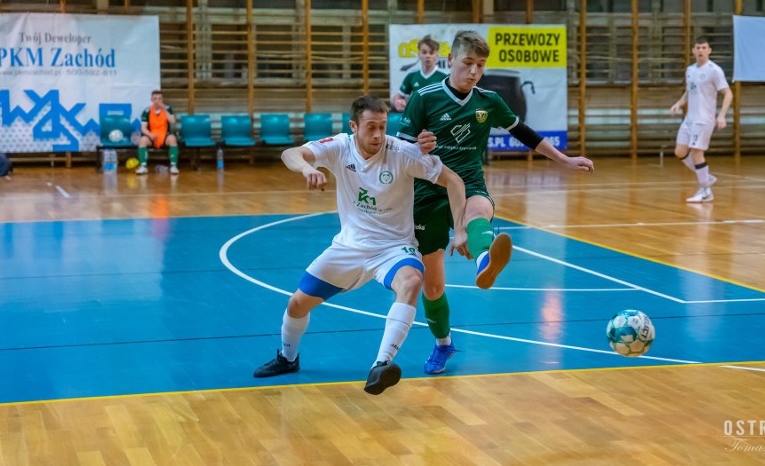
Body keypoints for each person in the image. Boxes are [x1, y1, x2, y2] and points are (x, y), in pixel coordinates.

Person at [397, 30, 594, 375]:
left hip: (471, 181)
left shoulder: (488, 101)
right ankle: (444, 345)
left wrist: (564, 159)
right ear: (451, 62)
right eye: (468, 63)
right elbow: (398, 153)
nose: (474, 71)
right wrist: (419, 147)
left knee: (479, 212)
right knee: (433, 285)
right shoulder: (424, 97)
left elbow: (525, 133)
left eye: (480, 65)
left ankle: (485, 258)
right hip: (427, 191)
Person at [253, 95, 468, 395]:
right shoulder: (340, 146)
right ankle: (288, 359)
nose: (378, 134)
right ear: (354, 126)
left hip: (393, 248)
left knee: (412, 281)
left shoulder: (403, 153)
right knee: (296, 304)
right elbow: (291, 153)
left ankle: (381, 365)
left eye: (383, 126)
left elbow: (454, 181)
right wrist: (307, 169)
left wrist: (459, 228)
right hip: (349, 247)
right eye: (371, 127)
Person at [670, 37, 733, 203]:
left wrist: (721, 115)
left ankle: (705, 190)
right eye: (698, 47)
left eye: (704, 48)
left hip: (704, 119)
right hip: (689, 119)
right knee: (680, 152)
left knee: (697, 152)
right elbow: (689, 91)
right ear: (693, 50)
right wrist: (679, 103)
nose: (700, 51)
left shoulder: (714, 70)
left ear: (709, 50)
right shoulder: (690, 70)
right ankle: (706, 177)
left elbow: (728, 93)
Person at [392, 35, 448, 113]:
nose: (428, 56)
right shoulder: (412, 75)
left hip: (437, 118)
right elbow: (398, 96)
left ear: (436, 55)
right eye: (424, 52)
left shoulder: (445, 77)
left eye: (431, 53)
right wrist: (398, 102)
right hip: (416, 117)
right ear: (419, 55)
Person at [136, 90, 179, 175]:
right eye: (155, 99)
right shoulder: (147, 111)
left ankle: (173, 166)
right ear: (151, 99)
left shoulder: (168, 109)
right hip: (152, 135)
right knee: (142, 140)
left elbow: (172, 121)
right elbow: (143, 128)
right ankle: (143, 166)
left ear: (162, 99)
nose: (157, 101)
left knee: (173, 139)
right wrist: (150, 134)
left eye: (159, 99)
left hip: (164, 135)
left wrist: (164, 109)